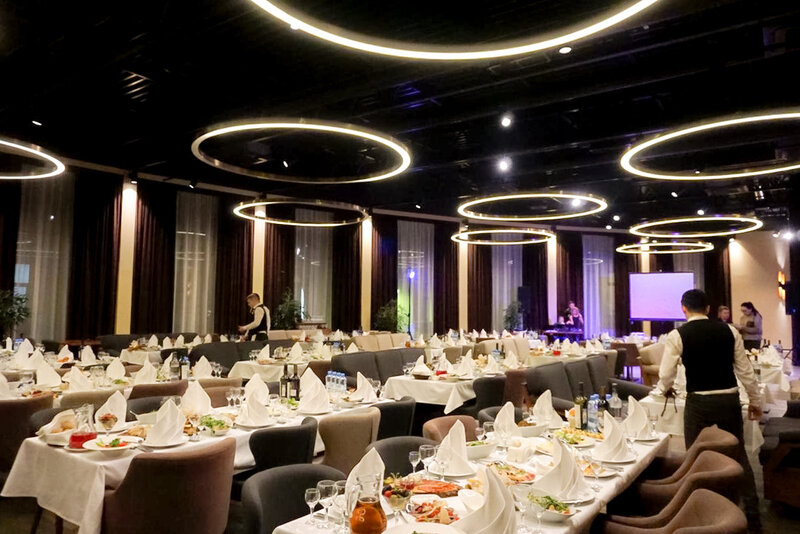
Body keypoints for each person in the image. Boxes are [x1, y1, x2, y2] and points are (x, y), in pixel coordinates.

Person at [654, 289, 761, 528]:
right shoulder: (730, 331)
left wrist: (663, 389)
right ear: (709, 309)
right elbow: (745, 371)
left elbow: (666, 374)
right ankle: (753, 513)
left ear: (683, 309)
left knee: (695, 457)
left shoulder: (677, 335)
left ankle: (696, 509)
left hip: (699, 402)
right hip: (728, 399)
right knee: (738, 453)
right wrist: (755, 401)